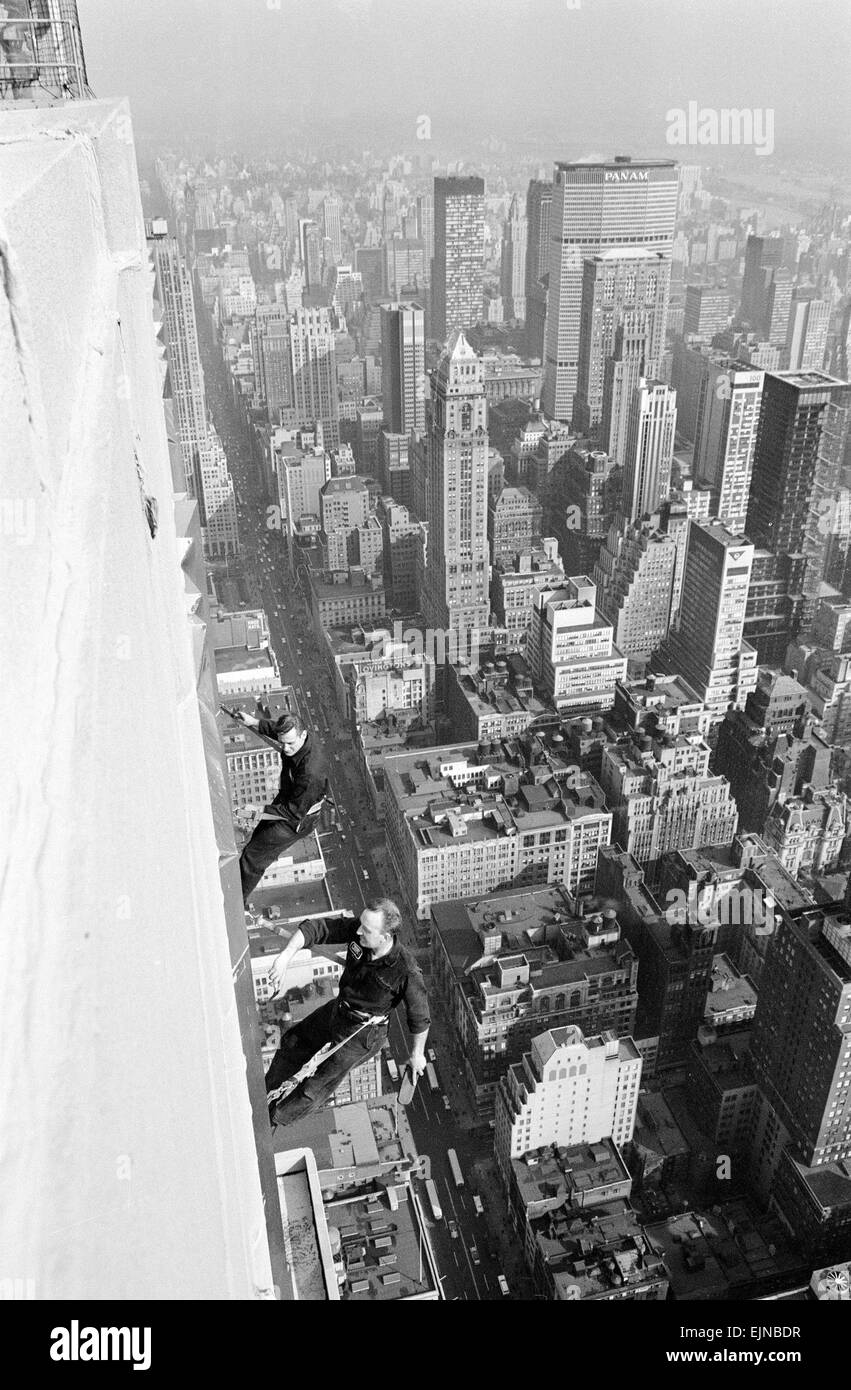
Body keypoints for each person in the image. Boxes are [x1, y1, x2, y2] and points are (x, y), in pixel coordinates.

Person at [263, 900, 429, 1128]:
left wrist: (417, 1054)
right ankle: (268, 1090)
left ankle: (272, 1120)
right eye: (360, 924)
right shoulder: (359, 932)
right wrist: (285, 957)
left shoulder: (405, 970)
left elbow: (420, 1018)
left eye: (367, 930)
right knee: (294, 1041)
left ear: (385, 936)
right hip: (340, 1010)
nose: (358, 931)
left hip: (364, 1033)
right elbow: (316, 929)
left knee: (318, 1084)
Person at [232, 709, 328, 905]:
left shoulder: (310, 774)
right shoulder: (296, 735)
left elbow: (293, 812)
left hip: (296, 819)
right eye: (282, 743)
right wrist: (253, 722)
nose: (285, 748)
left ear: (302, 735)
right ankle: (239, 888)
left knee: (253, 857)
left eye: (290, 743)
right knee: (257, 840)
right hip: (287, 801)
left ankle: (236, 902)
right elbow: (276, 729)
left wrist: (258, 812)